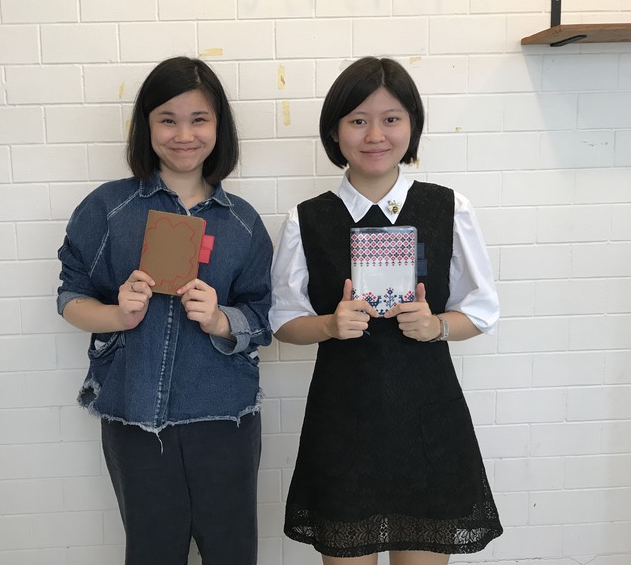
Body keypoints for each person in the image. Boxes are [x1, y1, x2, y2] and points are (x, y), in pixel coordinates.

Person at [270, 56, 503, 564]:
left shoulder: (449, 208)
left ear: (412, 125)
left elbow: (481, 311)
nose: (375, 135)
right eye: (358, 120)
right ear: (335, 132)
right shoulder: (306, 219)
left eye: (391, 119)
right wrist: (330, 325)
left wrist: (436, 325)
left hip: (426, 422)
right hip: (343, 422)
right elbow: (284, 321)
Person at [56, 56, 273, 565]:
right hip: (135, 413)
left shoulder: (241, 222)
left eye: (199, 119)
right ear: (146, 126)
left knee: (232, 554)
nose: (184, 135)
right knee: (152, 553)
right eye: (167, 120)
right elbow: (70, 297)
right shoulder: (108, 208)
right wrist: (117, 314)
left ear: (219, 127)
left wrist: (221, 319)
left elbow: (264, 315)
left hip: (224, 416)